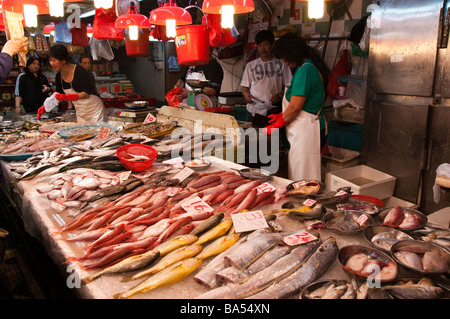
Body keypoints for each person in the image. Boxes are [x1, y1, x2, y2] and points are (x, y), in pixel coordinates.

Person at [264, 33, 327, 182]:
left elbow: (294, 108)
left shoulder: (305, 71)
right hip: (304, 128)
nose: (284, 62)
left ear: (294, 54)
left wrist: (278, 123)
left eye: (285, 57)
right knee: (300, 173)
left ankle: (307, 204)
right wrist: (281, 115)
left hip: (308, 130)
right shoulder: (305, 69)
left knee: (304, 176)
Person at [240, 30, 292, 127]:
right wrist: (246, 95)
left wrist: (280, 95)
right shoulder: (251, 65)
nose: (262, 49)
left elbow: (290, 86)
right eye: (259, 46)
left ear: (273, 45)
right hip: (253, 111)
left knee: (272, 141)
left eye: (265, 45)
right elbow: (244, 88)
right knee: (252, 140)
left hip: (273, 110)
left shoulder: (282, 64)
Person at [48, 45, 106, 124]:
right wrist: (46, 106)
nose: (51, 63)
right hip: (80, 111)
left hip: (94, 109)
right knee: (83, 134)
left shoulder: (80, 71)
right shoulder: (58, 76)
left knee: (96, 133)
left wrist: (67, 97)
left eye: (54, 60)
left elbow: (86, 94)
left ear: (63, 60)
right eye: (50, 60)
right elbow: (59, 96)